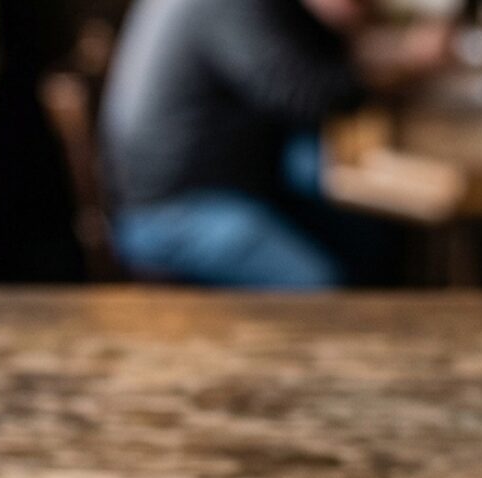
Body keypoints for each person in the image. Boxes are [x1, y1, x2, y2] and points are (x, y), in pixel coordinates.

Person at [100, 0, 451, 288]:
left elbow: (309, 73)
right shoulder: (227, 7)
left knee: (369, 236)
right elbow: (307, 96)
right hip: (172, 213)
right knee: (321, 283)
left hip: (228, 187)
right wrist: (404, 67)